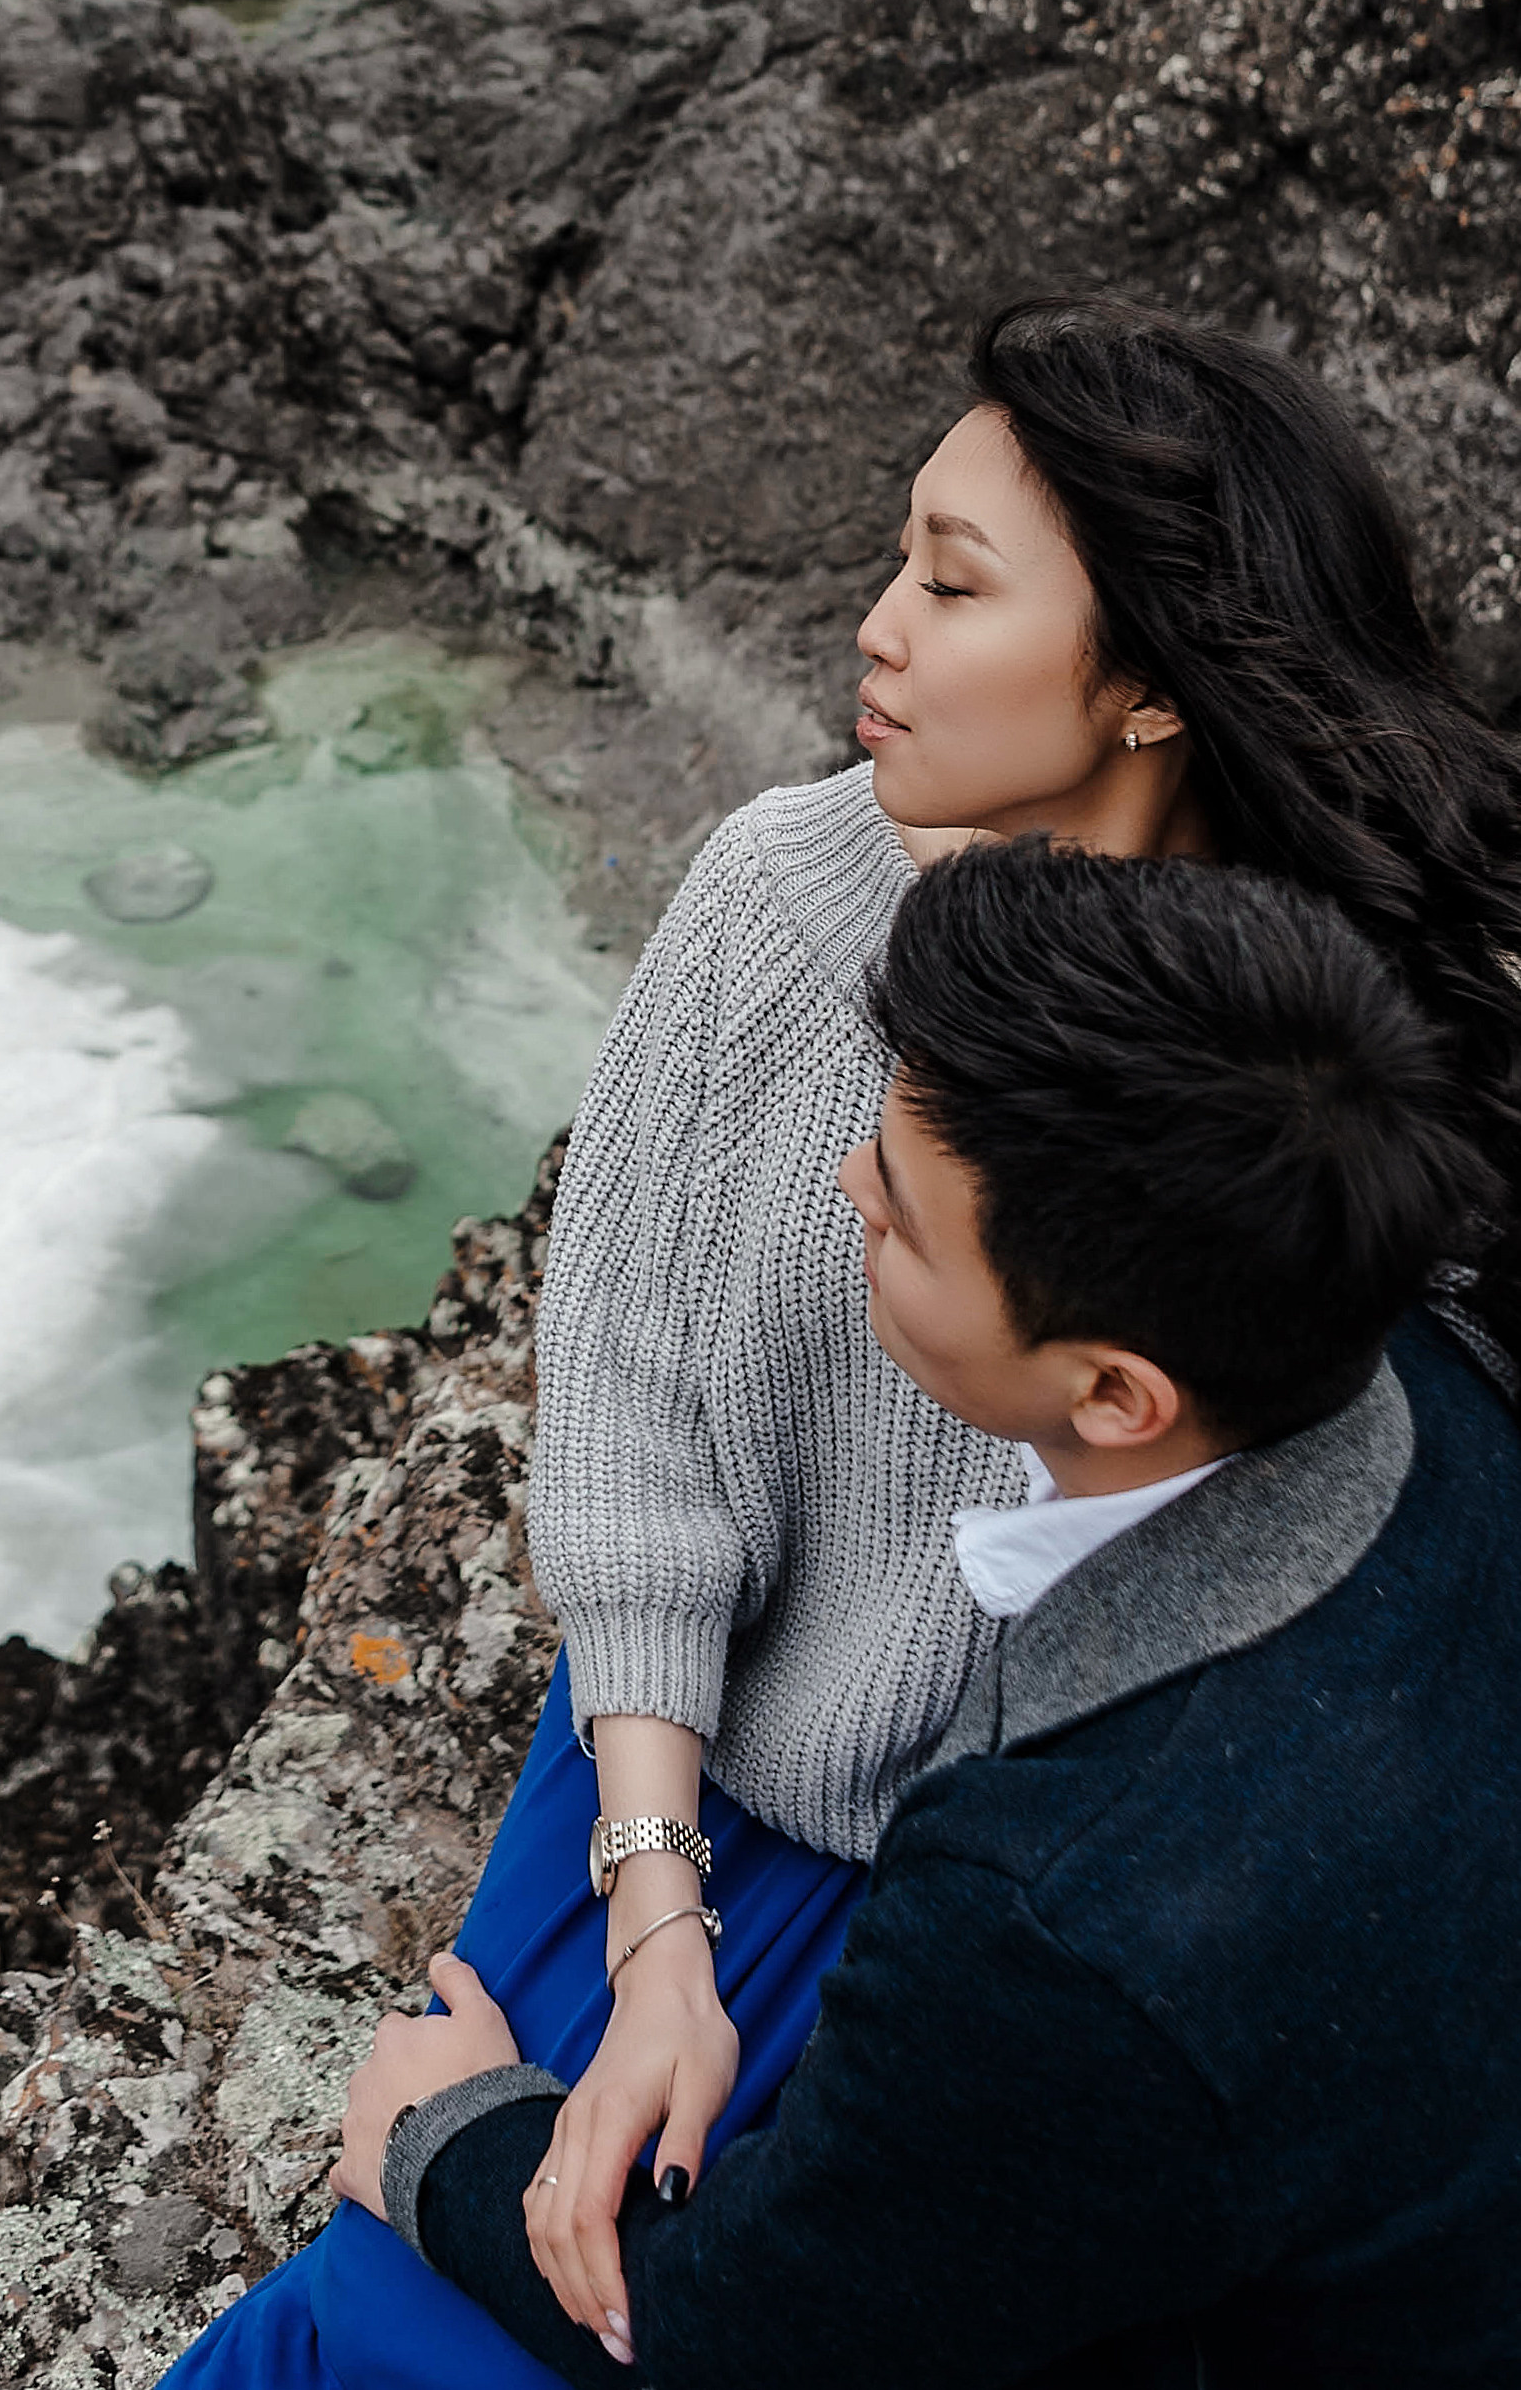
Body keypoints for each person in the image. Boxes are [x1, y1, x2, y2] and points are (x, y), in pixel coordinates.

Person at [162, 301, 1521, 2390]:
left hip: (1043, 1884)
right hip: (709, 1763)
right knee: (385, 2312)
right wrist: (655, 1916)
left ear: (1153, 677)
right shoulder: (775, 899)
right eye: (895, 555)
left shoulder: (1308, 1085)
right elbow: (628, 1423)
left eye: (953, 586)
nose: (872, 631)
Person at [334, 843, 1521, 2381]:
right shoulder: (1440, 1383)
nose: (848, 1188)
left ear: (1113, 1389)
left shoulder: (1072, 1903)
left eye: (901, 1210)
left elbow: (764, 2330)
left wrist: (450, 2144)